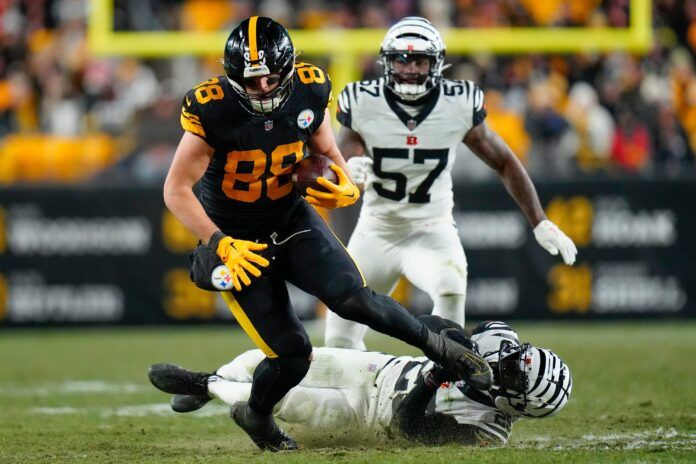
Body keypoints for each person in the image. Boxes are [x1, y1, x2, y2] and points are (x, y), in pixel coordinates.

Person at [162, 16, 492, 452]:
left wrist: (342, 186)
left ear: (289, 69)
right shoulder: (211, 107)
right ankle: (256, 416)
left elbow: (330, 156)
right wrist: (220, 243)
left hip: (291, 219)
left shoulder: (310, 89)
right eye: (251, 81)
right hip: (239, 241)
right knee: (292, 355)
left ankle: (442, 349)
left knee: (355, 298)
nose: (262, 90)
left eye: (270, 80)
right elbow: (175, 189)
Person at [324, 17, 578, 350]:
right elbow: (339, 160)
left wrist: (540, 221)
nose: (411, 69)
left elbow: (504, 161)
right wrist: (348, 168)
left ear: (437, 64)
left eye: (420, 60)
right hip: (376, 230)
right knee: (338, 340)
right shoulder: (364, 101)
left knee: (449, 286)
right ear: (387, 62)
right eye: (402, 59)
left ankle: (442, 387)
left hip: (432, 229)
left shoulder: (457, 103)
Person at [148, 316, 573, 447]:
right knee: (276, 359)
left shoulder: (486, 431)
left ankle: (203, 384)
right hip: (376, 368)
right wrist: (452, 342)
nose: (509, 359)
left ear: (516, 403)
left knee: (281, 401)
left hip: (367, 416)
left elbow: (409, 427)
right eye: (520, 357)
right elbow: (431, 323)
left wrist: (435, 373)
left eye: (516, 371)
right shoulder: (500, 342)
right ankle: (214, 383)